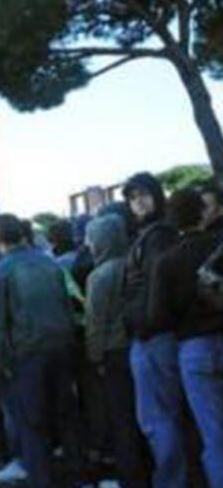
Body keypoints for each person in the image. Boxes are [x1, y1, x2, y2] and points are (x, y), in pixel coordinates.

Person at [0, 214, 84, 488]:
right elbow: (67, 306)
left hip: (26, 357)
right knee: (67, 420)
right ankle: (78, 478)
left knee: (32, 425)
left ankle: (43, 480)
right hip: (61, 349)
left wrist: (2, 363)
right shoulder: (49, 263)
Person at [150, 188, 223, 488]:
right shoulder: (218, 245)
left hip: (194, 348)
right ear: (203, 212)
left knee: (214, 433)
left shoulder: (167, 261)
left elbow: (158, 317)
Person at [121, 172, 188, 488]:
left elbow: (159, 287)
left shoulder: (158, 236)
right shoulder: (151, 234)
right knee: (161, 418)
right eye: (132, 198)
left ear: (157, 195)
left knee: (157, 420)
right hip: (153, 336)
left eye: (143, 195)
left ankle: (170, 481)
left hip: (153, 339)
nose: (138, 202)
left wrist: (146, 325)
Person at [84, 213, 152, 488]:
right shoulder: (134, 263)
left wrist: (94, 357)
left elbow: (95, 324)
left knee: (121, 418)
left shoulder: (98, 276)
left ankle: (130, 477)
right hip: (140, 347)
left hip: (112, 354)